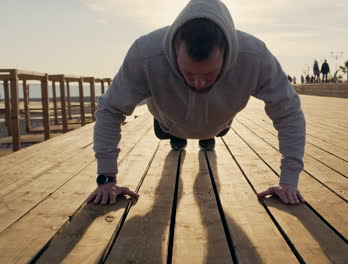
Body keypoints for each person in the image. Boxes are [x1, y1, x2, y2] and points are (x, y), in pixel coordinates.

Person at [88, 0, 306, 206]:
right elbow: (110, 109)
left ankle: (207, 136)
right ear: (174, 52)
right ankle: (178, 135)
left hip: (219, 122)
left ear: (227, 54)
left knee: (210, 137)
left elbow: (288, 112)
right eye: (189, 74)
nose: (200, 83)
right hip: (168, 121)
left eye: (209, 73)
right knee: (172, 139)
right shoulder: (145, 53)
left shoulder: (255, 56)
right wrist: (107, 179)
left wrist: (288, 181)